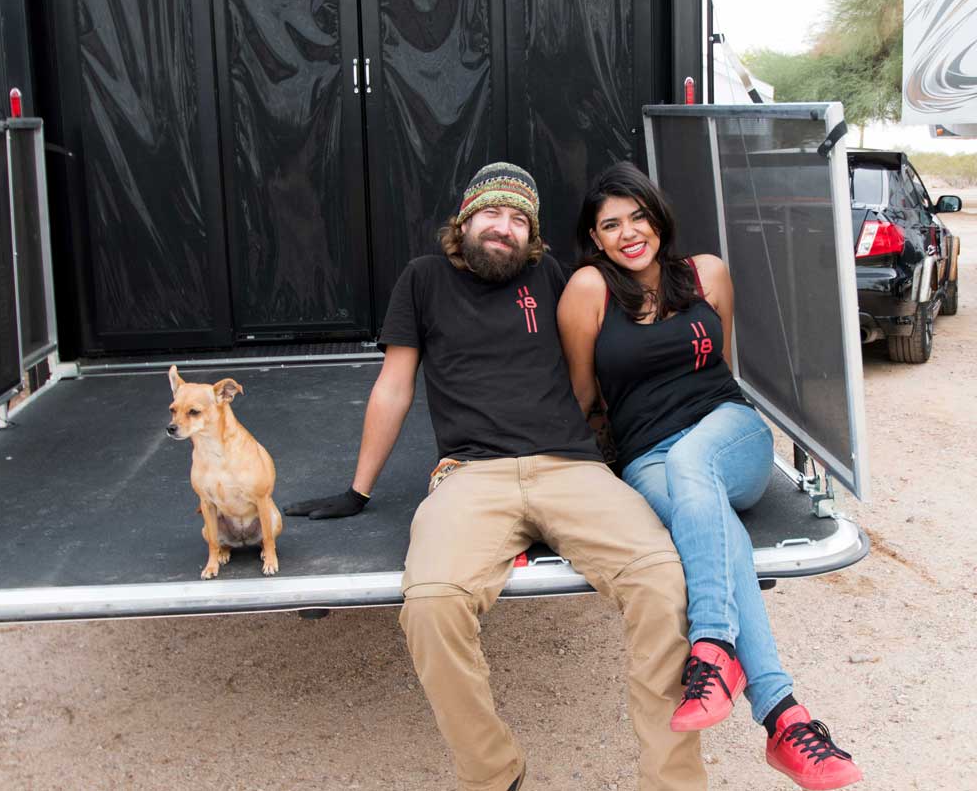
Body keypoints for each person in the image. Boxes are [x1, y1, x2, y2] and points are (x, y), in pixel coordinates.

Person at [285, 162, 706, 791]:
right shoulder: (422, 279)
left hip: (571, 466)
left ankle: (672, 784)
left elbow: (612, 349)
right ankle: (493, 771)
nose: (503, 227)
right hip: (471, 474)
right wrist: (358, 489)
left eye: (518, 219)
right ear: (464, 220)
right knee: (431, 605)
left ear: (532, 235)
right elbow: (394, 386)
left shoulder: (556, 276)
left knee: (663, 584)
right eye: (491, 213)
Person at [557, 161, 863, 791]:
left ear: (658, 217)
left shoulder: (707, 273)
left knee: (694, 463)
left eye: (638, 216)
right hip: (647, 456)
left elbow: (722, 365)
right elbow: (582, 395)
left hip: (729, 434)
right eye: (611, 225)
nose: (628, 233)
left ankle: (714, 643)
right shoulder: (588, 289)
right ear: (595, 238)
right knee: (716, 530)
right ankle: (784, 718)